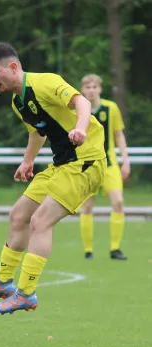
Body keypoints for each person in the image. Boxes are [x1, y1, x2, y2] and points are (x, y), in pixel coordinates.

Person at [0, 42, 106, 314]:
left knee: (40, 221)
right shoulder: (18, 102)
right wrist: (28, 160)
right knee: (19, 215)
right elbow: (37, 132)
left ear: (14, 67)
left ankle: (26, 293)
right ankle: (3, 283)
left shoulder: (45, 83)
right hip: (61, 164)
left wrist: (80, 129)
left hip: (86, 161)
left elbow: (82, 102)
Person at [78, 74, 130, 260]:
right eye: (87, 87)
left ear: (100, 89)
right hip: (88, 166)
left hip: (109, 164)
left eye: (94, 87)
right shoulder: (78, 109)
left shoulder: (111, 108)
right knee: (87, 206)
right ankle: (88, 251)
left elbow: (118, 135)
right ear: (83, 89)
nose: (91, 90)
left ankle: (115, 248)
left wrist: (125, 159)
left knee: (118, 202)